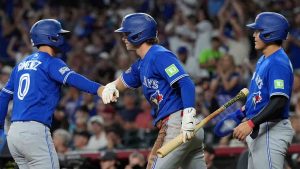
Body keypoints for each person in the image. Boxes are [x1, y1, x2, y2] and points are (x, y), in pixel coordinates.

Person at [0, 19, 117, 169]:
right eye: (59, 34)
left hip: (14, 134)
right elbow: (73, 78)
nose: (62, 37)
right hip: (35, 131)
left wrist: (0, 128)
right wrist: (100, 89)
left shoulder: (20, 65)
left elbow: (3, 96)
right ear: (51, 37)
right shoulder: (51, 62)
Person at [100, 13, 206, 169]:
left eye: (126, 34)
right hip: (186, 126)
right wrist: (111, 86)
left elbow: (186, 83)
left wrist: (188, 116)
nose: (123, 38)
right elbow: (123, 81)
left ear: (138, 34)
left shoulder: (159, 55)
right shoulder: (142, 63)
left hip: (179, 123)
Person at [214, 12, 294, 169]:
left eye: (258, 31)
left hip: (272, 130)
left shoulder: (278, 62)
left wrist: (250, 122)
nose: (254, 35)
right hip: (261, 130)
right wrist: (241, 113)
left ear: (270, 34)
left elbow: (279, 100)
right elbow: (259, 97)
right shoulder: (263, 59)